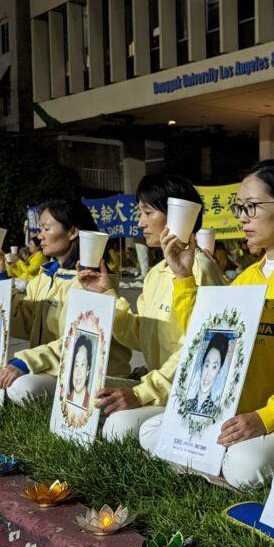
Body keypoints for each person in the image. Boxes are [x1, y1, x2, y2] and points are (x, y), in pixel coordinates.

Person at [142, 160, 274, 490]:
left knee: (244, 466)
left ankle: (208, 462)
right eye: (239, 207)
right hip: (236, 414)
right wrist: (183, 276)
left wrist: (268, 417)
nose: (242, 217)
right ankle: (208, 459)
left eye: (252, 207)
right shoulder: (246, 279)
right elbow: (205, 339)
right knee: (150, 431)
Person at [78, 173, 226, 441]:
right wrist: (107, 295)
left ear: (176, 216)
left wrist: (141, 393)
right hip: (159, 387)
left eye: (147, 212)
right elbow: (141, 335)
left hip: (188, 391)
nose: (140, 222)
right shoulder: (156, 273)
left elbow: (198, 350)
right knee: (82, 392)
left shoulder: (202, 270)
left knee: (117, 426)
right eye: (139, 212)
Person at [0, 200, 132, 404]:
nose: (39, 236)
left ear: (72, 232)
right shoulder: (46, 278)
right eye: (39, 229)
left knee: (21, 387)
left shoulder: (92, 281)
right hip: (51, 367)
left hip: (88, 373)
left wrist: (26, 362)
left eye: (46, 228)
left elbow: (80, 343)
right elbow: (23, 323)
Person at [186, 331, 231, 417]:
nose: (208, 374)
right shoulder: (186, 405)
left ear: (219, 371)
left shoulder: (215, 413)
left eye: (214, 367)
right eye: (207, 365)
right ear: (202, 366)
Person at [66, 334, 94, 410]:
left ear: (88, 371)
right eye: (76, 365)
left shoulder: (92, 405)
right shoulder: (64, 400)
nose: (78, 372)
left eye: (82, 365)